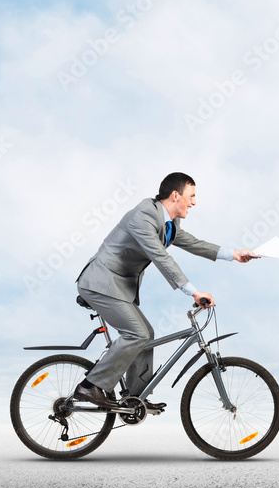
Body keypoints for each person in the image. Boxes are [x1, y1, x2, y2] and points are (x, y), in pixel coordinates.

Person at [71, 172, 259, 411]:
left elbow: (193, 243)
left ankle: (135, 397)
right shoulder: (143, 217)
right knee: (137, 333)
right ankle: (90, 385)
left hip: (119, 286)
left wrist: (233, 254)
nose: (193, 202)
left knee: (145, 335)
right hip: (100, 284)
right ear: (175, 195)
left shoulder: (169, 221)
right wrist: (193, 292)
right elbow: (160, 257)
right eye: (191, 196)